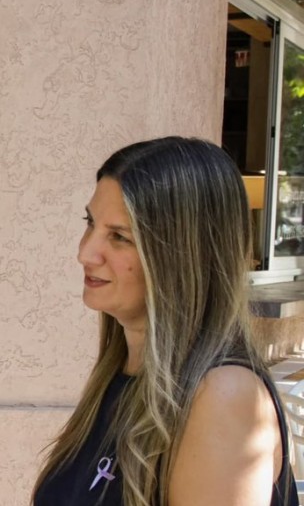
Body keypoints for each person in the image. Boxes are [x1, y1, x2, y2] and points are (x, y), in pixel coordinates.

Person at [32, 137, 299, 505]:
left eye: (119, 237)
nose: (86, 253)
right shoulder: (123, 377)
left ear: (181, 257)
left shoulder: (222, 397)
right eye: (90, 223)